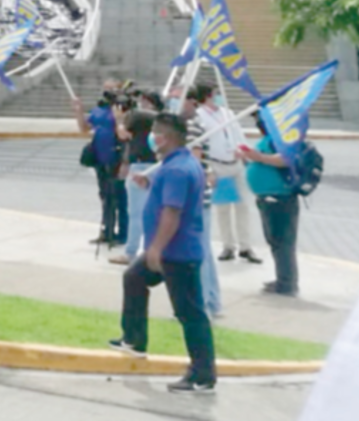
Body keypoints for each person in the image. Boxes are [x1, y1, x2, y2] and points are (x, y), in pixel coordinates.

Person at [110, 114, 217, 395]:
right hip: (170, 251)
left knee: (190, 314)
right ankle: (134, 340)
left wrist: (155, 248)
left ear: (164, 138)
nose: (150, 137)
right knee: (134, 277)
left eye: (155, 132)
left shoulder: (177, 170)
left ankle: (202, 375)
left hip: (176, 254)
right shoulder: (179, 164)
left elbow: (173, 212)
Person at [192, 85, 262, 264]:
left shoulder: (228, 113)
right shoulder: (200, 116)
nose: (219, 97)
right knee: (223, 207)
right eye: (216, 94)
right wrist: (208, 170)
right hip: (218, 164)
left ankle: (246, 246)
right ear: (207, 96)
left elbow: (237, 134)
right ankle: (228, 246)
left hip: (236, 163)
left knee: (243, 206)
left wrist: (243, 151)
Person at [238, 112, 300, 297]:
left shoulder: (280, 139)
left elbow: (286, 160)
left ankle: (287, 282)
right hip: (269, 196)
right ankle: (283, 278)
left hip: (279, 197)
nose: (257, 123)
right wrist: (247, 158)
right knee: (275, 240)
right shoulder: (269, 139)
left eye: (259, 120)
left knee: (281, 240)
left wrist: (258, 157)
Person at [181, 87, 223, 318]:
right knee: (203, 249)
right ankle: (212, 300)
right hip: (201, 194)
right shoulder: (195, 124)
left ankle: (204, 302)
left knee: (199, 251)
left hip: (195, 196)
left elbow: (194, 163)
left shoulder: (192, 127)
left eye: (179, 97)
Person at [110, 91, 163, 266]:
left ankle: (131, 252)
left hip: (140, 166)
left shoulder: (138, 116)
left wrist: (118, 119)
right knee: (156, 212)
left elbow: (123, 135)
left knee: (136, 212)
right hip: (158, 165)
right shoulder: (163, 118)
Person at [72, 80, 128, 246]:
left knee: (119, 197)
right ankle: (107, 231)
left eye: (111, 89)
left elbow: (123, 134)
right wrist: (79, 111)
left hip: (116, 158)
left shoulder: (123, 110)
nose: (107, 92)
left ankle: (123, 233)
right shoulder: (98, 110)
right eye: (105, 89)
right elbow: (84, 128)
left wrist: (119, 119)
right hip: (100, 157)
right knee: (105, 196)